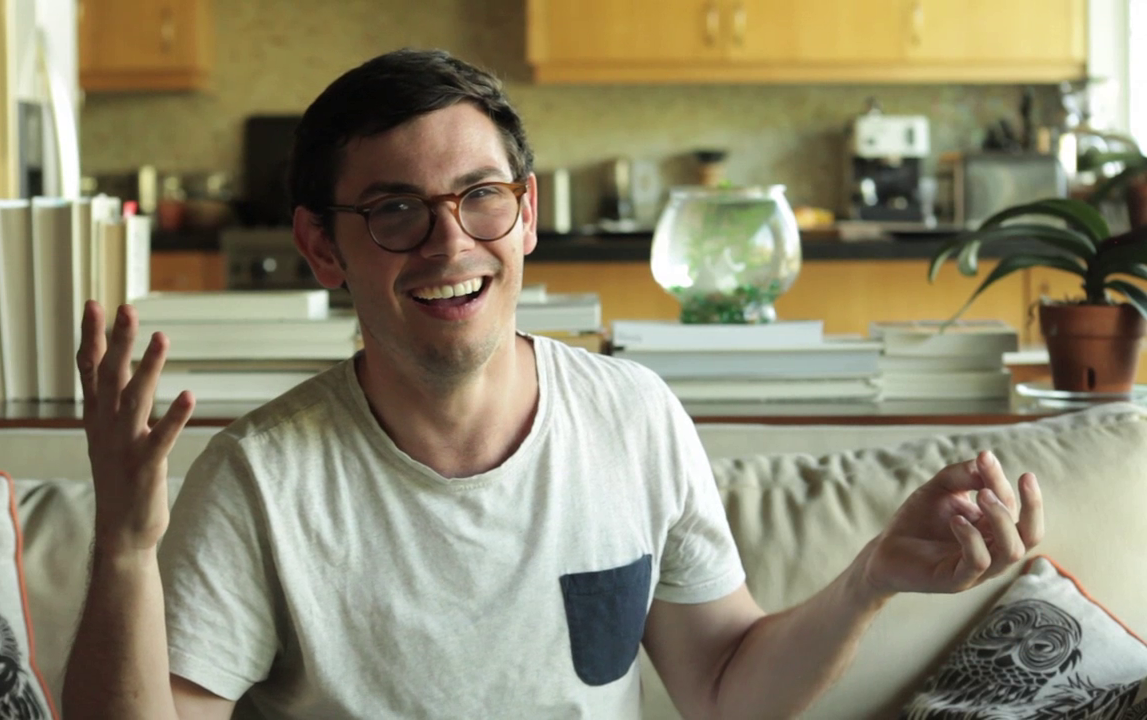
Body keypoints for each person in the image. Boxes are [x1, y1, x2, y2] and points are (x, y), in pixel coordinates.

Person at [62, 49, 1044, 719]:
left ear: (526, 214)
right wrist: (123, 549)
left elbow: (722, 688)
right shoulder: (258, 478)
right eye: (396, 210)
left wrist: (871, 580)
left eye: (480, 198)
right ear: (323, 247)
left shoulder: (633, 415)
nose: (450, 243)